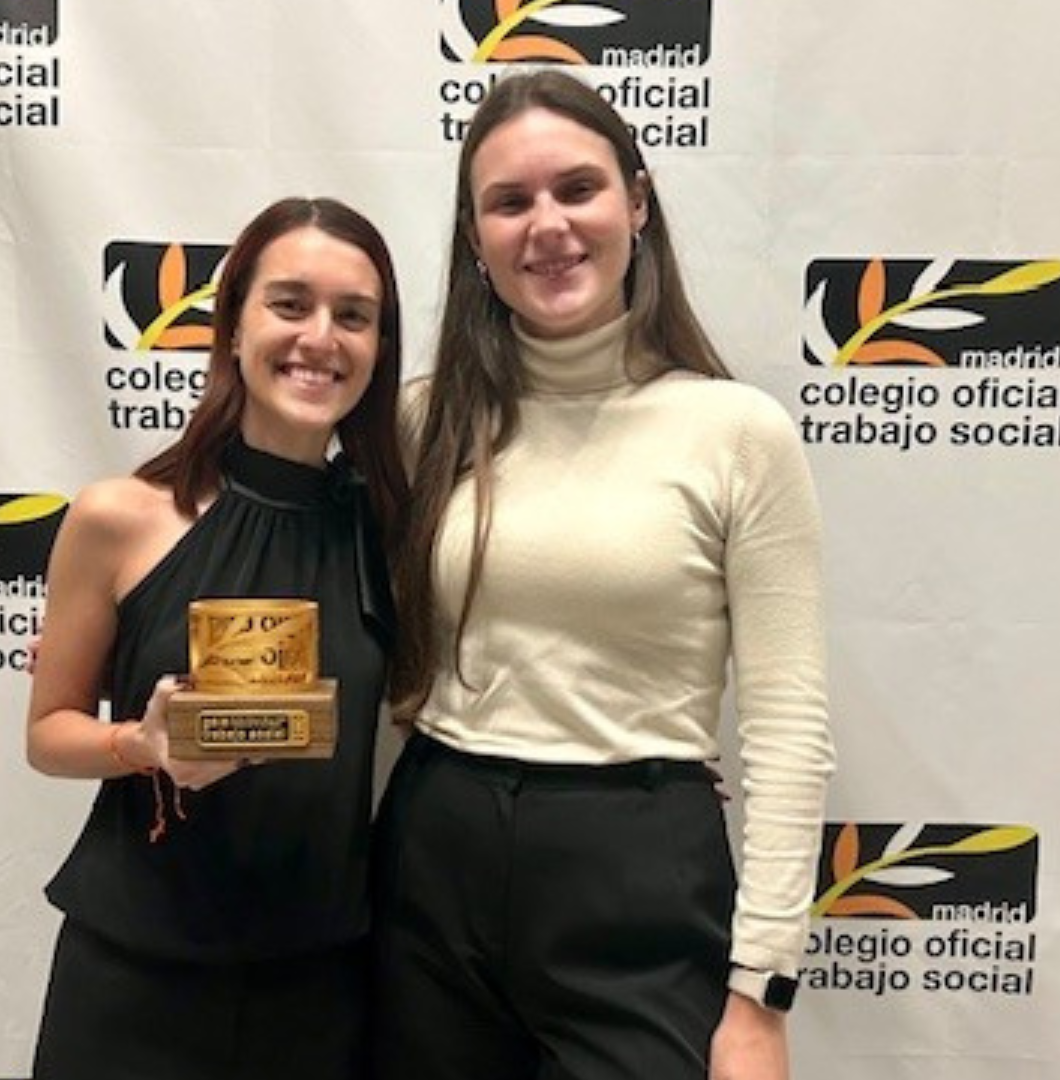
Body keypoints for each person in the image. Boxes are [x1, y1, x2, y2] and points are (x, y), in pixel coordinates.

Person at [374, 70, 836, 1080]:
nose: (548, 225)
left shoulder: (737, 433)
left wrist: (760, 992)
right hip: (434, 857)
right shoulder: (421, 424)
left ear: (636, 202)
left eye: (577, 189)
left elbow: (788, 727)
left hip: (639, 873)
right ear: (475, 238)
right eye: (510, 202)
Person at [26, 196, 405, 1080]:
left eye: (354, 316)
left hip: (320, 987)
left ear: (379, 348)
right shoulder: (120, 517)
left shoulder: (392, 532)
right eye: (290, 304)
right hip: (133, 979)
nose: (321, 337)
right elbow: (47, 734)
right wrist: (141, 744)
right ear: (233, 324)